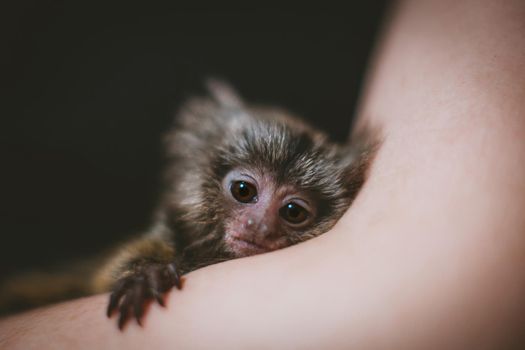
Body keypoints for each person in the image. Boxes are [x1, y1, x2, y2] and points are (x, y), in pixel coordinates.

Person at [1, 0, 524, 348]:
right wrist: (140, 275)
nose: (260, 225)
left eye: (294, 212)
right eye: (245, 191)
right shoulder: (177, 231)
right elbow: (133, 262)